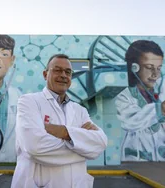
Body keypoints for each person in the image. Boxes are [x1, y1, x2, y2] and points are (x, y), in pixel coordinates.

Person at [11, 54, 107, 188]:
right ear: (45, 74)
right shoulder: (28, 102)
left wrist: (64, 132)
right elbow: (34, 146)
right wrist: (83, 147)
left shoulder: (80, 110)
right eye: (57, 70)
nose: (63, 75)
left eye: (68, 72)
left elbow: (101, 143)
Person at [115, 40, 165, 162]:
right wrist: (157, 110)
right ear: (134, 67)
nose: (155, 74)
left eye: (159, 68)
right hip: (142, 158)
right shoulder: (124, 95)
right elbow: (129, 121)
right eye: (149, 68)